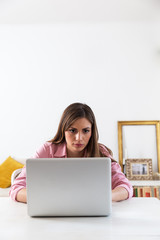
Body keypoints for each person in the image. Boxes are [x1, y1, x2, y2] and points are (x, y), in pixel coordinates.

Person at [9, 102, 133, 203]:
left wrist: (105, 197)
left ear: (92, 131)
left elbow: (125, 187)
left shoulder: (101, 152)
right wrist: (47, 198)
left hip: (91, 214)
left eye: (85, 131)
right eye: (72, 130)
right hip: (53, 213)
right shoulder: (47, 150)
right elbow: (16, 188)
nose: (79, 138)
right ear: (63, 130)